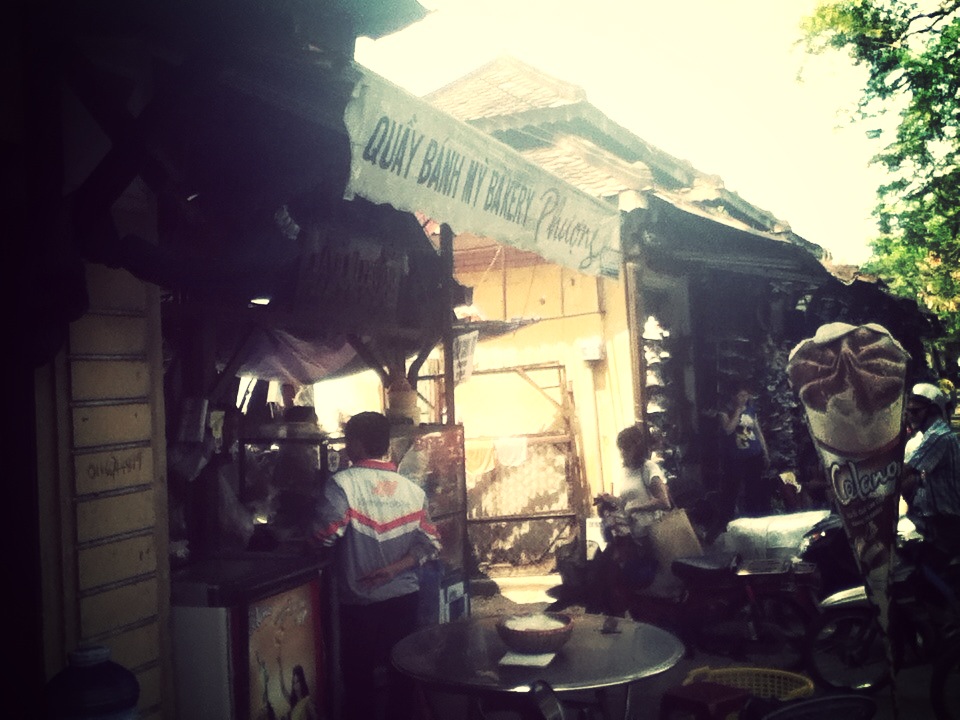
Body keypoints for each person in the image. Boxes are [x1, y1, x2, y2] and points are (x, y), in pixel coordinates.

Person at [312, 411, 441, 720]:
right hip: (404, 599)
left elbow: (323, 537)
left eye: (347, 440)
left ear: (356, 443)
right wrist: (395, 568)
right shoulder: (412, 491)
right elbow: (432, 544)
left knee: (358, 680)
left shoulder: (342, 485)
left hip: (359, 602)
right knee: (402, 675)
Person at [586, 426, 672, 614]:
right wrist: (611, 500)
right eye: (621, 448)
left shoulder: (649, 468)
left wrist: (637, 507)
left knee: (639, 579)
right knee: (612, 574)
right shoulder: (626, 471)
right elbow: (626, 503)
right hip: (632, 535)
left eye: (626, 448)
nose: (623, 453)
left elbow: (664, 502)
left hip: (651, 534)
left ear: (637, 447)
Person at [902, 382, 960, 555]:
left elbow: (905, 471)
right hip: (938, 520)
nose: (910, 416)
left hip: (947, 523)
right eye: (908, 411)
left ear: (933, 410)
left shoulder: (938, 436)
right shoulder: (930, 436)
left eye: (915, 411)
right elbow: (913, 479)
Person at [717, 381, 771, 525]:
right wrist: (737, 412)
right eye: (741, 395)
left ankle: (753, 518)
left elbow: (758, 432)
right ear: (733, 396)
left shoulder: (751, 410)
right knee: (732, 488)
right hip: (735, 458)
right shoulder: (724, 412)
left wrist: (765, 452)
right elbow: (728, 430)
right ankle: (727, 520)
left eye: (746, 395)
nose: (744, 398)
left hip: (754, 454)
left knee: (753, 488)